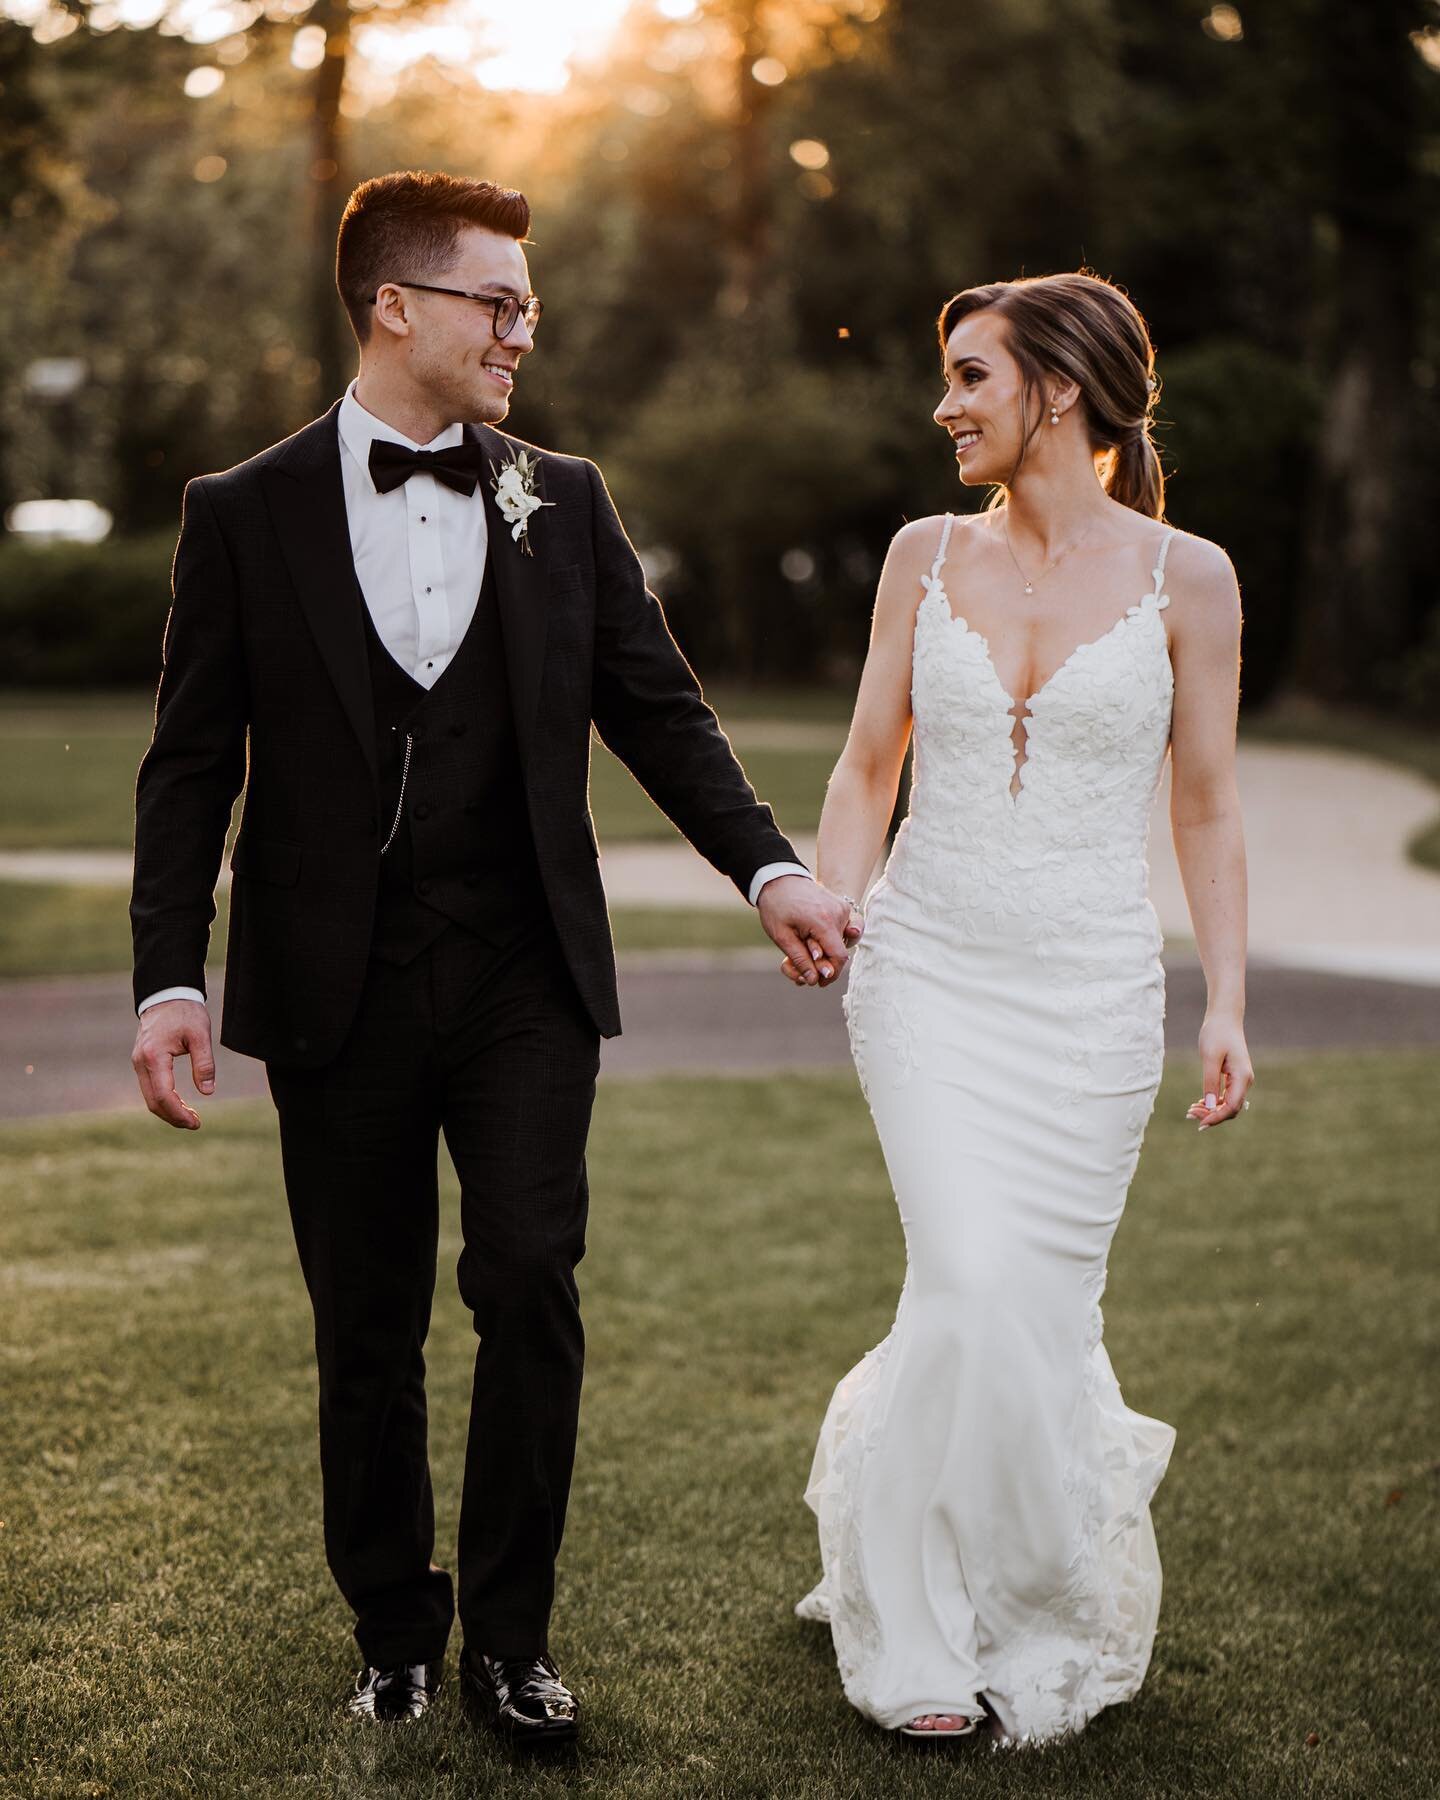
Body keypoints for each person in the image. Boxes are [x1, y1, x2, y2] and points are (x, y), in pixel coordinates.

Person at [129, 169, 852, 1740]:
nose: (527, 330)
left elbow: (657, 710)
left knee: (530, 1277)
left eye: (528, 304)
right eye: (499, 302)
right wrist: (170, 976)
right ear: (399, 307)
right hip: (336, 986)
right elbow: (189, 768)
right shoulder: (242, 514)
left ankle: (512, 1642)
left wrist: (770, 868)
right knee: (366, 1325)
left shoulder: (562, 499)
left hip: (523, 969)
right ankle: (395, 1626)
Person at [790, 272, 1253, 1746]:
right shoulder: (922, 555)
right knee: (970, 1278)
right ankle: (913, 1632)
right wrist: (833, 894)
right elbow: (869, 764)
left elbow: (1210, 807)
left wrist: (1227, 1000)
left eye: (972, 377)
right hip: (925, 969)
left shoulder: (1195, 578)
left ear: (1058, 387)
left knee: (1027, 1310)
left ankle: (1034, 1604)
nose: (946, 406)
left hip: (1091, 998)